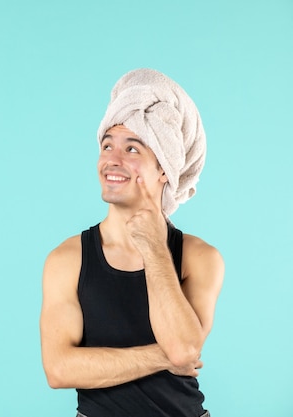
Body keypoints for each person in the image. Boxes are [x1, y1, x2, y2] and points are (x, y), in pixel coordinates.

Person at [39, 68, 225, 417]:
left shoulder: (199, 258)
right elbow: (59, 369)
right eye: (107, 145)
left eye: (132, 148)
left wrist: (155, 246)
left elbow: (184, 346)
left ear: (163, 171)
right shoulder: (67, 259)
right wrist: (162, 356)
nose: (112, 158)